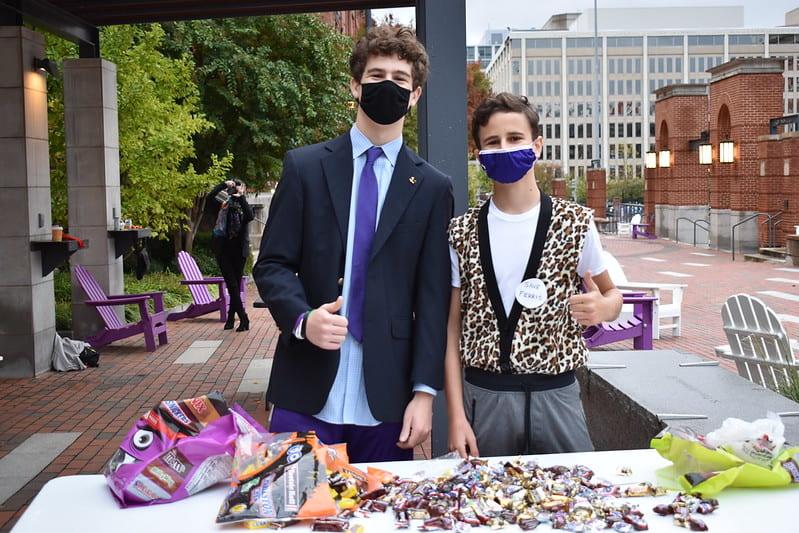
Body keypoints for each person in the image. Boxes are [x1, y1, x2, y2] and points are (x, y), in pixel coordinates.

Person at [253, 25, 453, 463]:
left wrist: (424, 393)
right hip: (305, 385)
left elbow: (433, 298)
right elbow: (271, 264)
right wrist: (303, 319)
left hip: (388, 398)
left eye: (400, 79)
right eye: (376, 75)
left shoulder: (433, 188)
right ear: (355, 85)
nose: (388, 86)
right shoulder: (305, 168)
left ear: (415, 94)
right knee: (289, 510)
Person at [445, 93, 623, 458]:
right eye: (492, 143)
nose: (505, 148)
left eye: (515, 139)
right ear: (478, 154)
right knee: (486, 505)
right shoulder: (461, 232)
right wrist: (456, 415)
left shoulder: (575, 223)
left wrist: (602, 309)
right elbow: (450, 328)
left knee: (575, 501)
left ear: (537, 145)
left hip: (556, 396)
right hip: (486, 397)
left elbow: (612, 295)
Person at [210, 179, 254, 332]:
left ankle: (230, 318)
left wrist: (240, 196)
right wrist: (223, 184)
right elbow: (210, 197)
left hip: (239, 251)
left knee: (234, 285)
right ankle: (243, 318)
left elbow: (249, 216)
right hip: (223, 250)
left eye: (239, 187)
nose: (235, 190)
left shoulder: (243, 203)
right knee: (232, 285)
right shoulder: (224, 202)